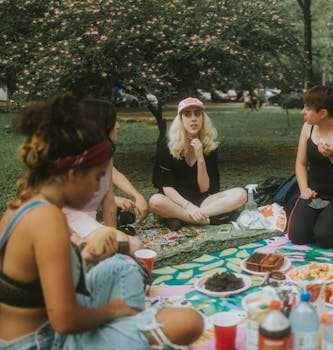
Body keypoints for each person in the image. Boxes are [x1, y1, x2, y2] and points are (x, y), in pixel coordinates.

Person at [0, 93, 203, 349]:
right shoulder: (46, 219)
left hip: (50, 321)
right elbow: (65, 321)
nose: (100, 187)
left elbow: (34, 278)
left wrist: (87, 255)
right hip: (43, 341)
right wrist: (114, 310)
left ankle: (127, 327)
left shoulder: (29, 203)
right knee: (188, 322)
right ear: (73, 174)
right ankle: (127, 328)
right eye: (97, 178)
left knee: (123, 266)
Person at [62, 98, 144, 255]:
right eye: (114, 121)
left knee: (133, 246)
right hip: (65, 223)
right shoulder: (73, 159)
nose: (118, 126)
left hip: (87, 224)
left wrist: (112, 236)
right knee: (133, 247)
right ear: (101, 125)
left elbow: (108, 202)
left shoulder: (106, 156)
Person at [149, 97, 247, 226]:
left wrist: (200, 158)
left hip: (203, 201)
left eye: (197, 113)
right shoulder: (167, 145)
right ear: (181, 120)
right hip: (175, 201)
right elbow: (167, 187)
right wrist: (188, 206)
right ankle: (206, 219)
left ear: (203, 119)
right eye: (187, 114)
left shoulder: (209, 145)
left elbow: (204, 188)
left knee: (241, 194)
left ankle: (184, 218)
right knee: (155, 201)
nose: (193, 118)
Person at [287, 86, 333, 248]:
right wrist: (304, 189)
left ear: (323, 113)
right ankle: (325, 218)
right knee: (298, 235)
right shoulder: (308, 128)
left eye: (307, 108)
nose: (302, 112)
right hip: (315, 195)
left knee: (324, 238)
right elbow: (300, 164)